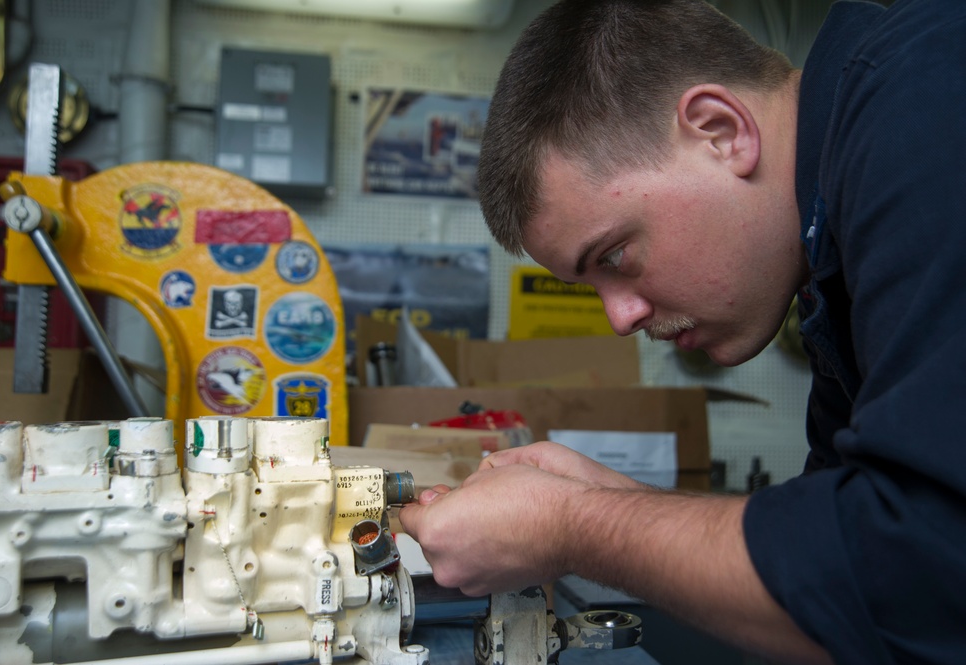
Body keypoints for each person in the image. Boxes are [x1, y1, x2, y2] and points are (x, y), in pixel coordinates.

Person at [398, 0, 966, 663]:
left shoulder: (923, 100)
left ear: (719, 130)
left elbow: (919, 577)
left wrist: (570, 525)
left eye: (613, 257)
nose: (620, 318)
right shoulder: (822, 246)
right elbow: (823, 570)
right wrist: (602, 499)